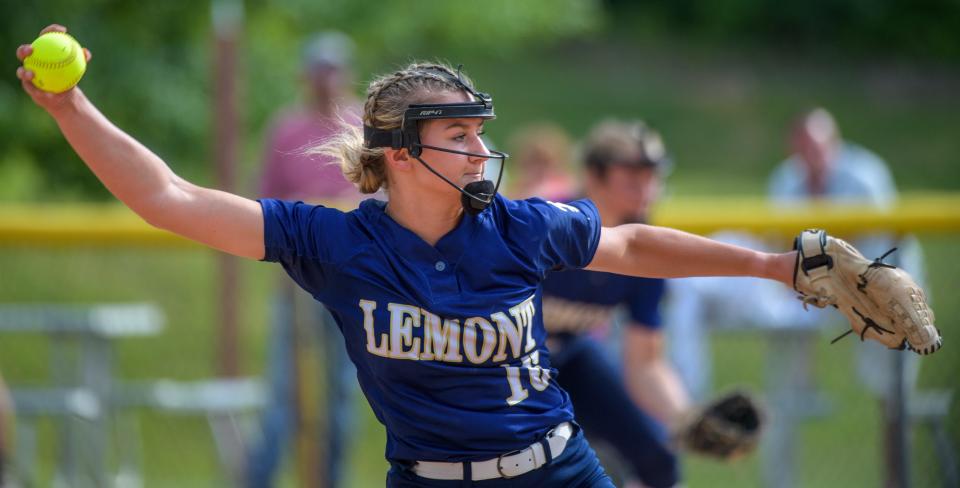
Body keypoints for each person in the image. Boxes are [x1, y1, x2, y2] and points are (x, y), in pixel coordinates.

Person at [18, 24, 821, 487]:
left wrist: (774, 267)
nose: (482, 150)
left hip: (555, 471)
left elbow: (634, 243)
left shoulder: (518, 226)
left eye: (480, 132)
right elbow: (169, 198)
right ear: (400, 154)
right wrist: (71, 106)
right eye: (459, 137)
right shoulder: (337, 242)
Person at [541, 120, 687, 488]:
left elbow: (646, 363)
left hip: (570, 358)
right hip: (504, 366)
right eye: (632, 175)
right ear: (593, 174)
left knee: (658, 458)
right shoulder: (547, 225)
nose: (646, 188)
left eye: (652, 175)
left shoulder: (646, 254)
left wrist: (689, 420)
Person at [249, 31, 362, 488]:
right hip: (299, 280)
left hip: (351, 279)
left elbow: (378, 199)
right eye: (319, 69)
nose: (326, 79)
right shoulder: (286, 128)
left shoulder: (362, 125)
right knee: (284, 391)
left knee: (339, 394)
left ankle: (330, 481)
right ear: (306, 75)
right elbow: (265, 204)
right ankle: (260, 479)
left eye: (334, 69)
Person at [506, 123, 578, 202]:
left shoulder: (567, 188)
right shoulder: (518, 188)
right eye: (533, 162)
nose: (538, 169)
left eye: (545, 163)